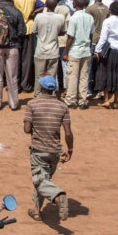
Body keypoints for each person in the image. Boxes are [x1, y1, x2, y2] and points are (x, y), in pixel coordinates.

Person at [24, 75, 72, 222]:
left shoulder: (32, 104)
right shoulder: (62, 106)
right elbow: (68, 132)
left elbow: (26, 129)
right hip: (55, 151)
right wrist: (70, 150)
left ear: (41, 88)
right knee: (44, 179)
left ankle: (58, 196)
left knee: (40, 181)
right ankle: (36, 210)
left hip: (39, 150)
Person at [94, 1, 118, 108]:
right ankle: (116, 101)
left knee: (106, 73)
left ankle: (106, 99)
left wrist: (97, 50)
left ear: (110, 10)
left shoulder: (107, 21)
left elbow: (103, 37)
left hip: (109, 50)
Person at [63, 0, 94, 109]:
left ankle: (71, 100)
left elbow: (70, 37)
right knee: (84, 77)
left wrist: (65, 52)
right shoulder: (89, 17)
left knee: (72, 76)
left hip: (75, 51)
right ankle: (82, 100)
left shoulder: (73, 18)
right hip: (86, 51)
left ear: (75, 4)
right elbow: (91, 35)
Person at [32, 0, 65, 97]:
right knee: (52, 76)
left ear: (45, 5)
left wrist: (42, 33)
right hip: (53, 51)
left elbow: (34, 31)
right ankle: (51, 95)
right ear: (56, 6)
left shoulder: (39, 17)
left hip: (41, 51)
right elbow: (62, 32)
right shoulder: (60, 18)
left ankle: (38, 95)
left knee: (39, 76)